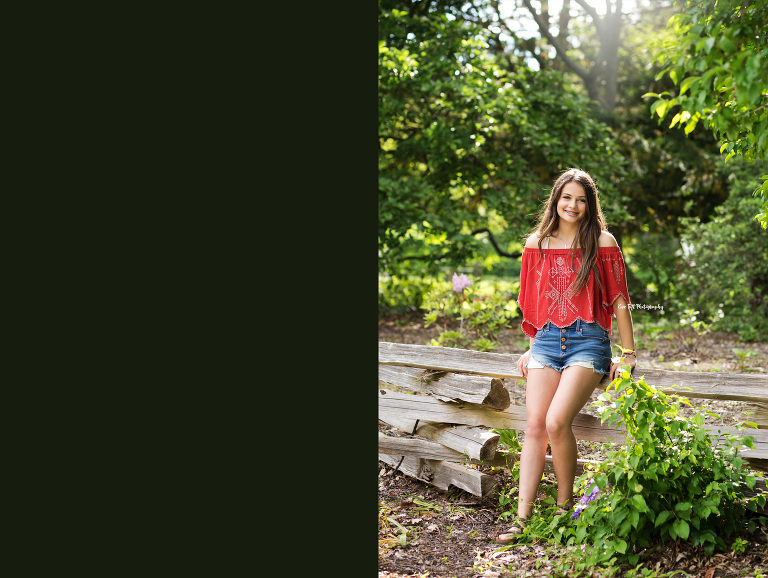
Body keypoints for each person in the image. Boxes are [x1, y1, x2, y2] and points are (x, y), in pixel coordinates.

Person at [497, 168, 636, 544]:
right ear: (555, 200)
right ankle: (522, 520)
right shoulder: (536, 244)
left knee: (558, 421)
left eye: (581, 199)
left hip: (588, 341)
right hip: (545, 341)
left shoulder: (602, 242)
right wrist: (530, 346)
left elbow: (620, 300)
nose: (572, 205)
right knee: (535, 427)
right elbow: (531, 300)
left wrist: (629, 353)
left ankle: (563, 510)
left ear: (589, 206)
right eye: (567, 197)